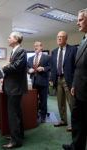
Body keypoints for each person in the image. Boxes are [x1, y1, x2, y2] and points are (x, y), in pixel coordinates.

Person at [62, 8, 87, 150]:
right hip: (79, 89)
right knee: (78, 121)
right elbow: (79, 67)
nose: (77, 23)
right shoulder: (83, 39)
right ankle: (76, 146)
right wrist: (74, 85)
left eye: (80, 19)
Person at [2, 32, 28, 148]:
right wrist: (9, 64)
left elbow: (17, 67)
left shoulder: (21, 50)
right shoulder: (15, 51)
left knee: (13, 114)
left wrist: (5, 67)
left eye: (9, 37)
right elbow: (15, 65)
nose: (8, 39)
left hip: (15, 88)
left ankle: (15, 141)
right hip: (13, 87)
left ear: (16, 39)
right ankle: (18, 134)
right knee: (16, 112)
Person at [49, 31, 77, 131]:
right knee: (60, 102)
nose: (59, 38)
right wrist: (52, 79)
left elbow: (76, 66)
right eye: (58, 37)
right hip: (58, 79)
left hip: (68, 79)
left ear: (66, 39)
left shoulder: (73, 49)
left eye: (62, 37)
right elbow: (53, 67)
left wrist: (75, 82)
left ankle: (75, 124)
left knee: (72, 103)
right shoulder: (54, 51)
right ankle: (63, 120)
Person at [27, 41, 50, 123]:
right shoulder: (30, 58)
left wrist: (43, 68)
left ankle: (43, 116)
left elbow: (50, 67)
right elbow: (27, 68)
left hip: (43, 82)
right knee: (34, 100)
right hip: (34, 82)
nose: (35, 47)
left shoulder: (47, 57)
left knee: (43, 100)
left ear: (41, 47)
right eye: (34, 46)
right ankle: (35, 114)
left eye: (37, 46)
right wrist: (29, 70)